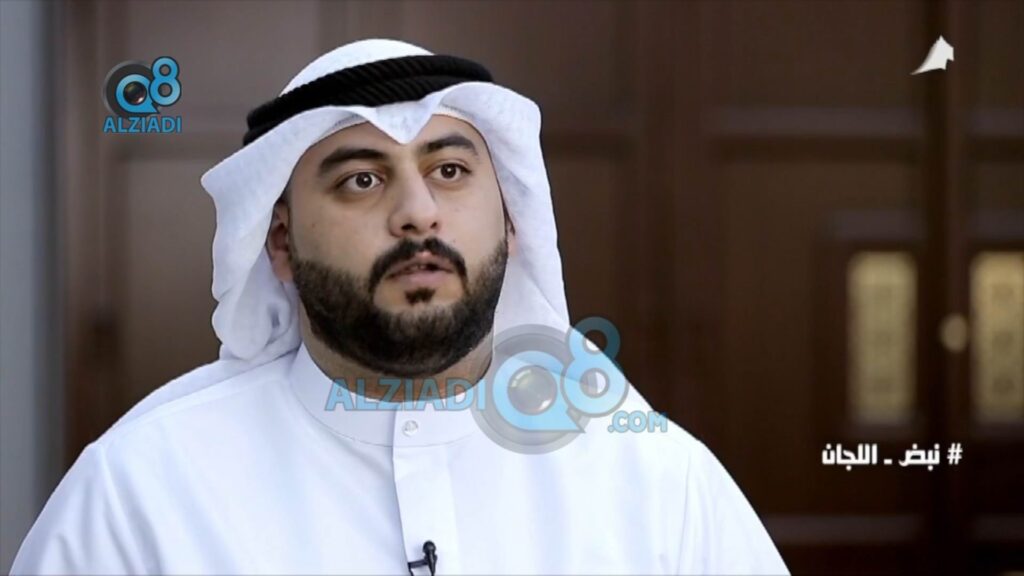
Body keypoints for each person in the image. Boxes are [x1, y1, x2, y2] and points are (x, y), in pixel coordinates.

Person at [12, 39, 789, 575]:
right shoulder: (141, 491)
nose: (418, 213)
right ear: (279, 241)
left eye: (450, 171)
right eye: (362, 179)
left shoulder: (654, 482)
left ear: (511, 221)